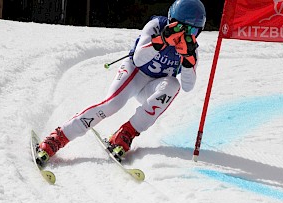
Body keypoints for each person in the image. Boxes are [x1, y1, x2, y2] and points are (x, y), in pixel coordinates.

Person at [35, 0, 206, 166]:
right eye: (180, 27)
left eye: (192, 30)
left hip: (153, 87)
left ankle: (126, 133)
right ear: (170, 20)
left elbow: (188, 86)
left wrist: (188, 61)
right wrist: (161, 40)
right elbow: (139, 59)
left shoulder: (192, 49)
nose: (184, 35)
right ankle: (59, 136)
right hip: (135, 73)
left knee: (173, 85)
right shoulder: (156, 25)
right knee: (112, 105)